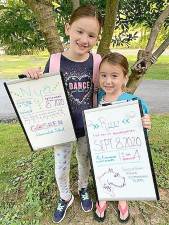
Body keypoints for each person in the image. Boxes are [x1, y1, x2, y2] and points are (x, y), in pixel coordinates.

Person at [23, 5, 103, 224]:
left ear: (97, 38)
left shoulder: (97, 62)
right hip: (61, 129)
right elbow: (44, 92)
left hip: (87, 127)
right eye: (79, 31)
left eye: (91, 35)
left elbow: (108, 90)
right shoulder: (56, 60)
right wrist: (34, 77)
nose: (84, 39)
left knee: (84, 161)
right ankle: (65, 196)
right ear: (68, 28)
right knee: (61, 167)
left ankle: (83, 188)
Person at [94, 52, 151, 223]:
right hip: (103, 153)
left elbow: (142, 133)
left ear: (125, 78)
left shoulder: (134, 102)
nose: (108, 81)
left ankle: (122, 200)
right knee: (104, 173)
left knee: (122, 174)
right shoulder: (97, 99)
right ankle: (102, 198)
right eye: (103, 75)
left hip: (125, 153)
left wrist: (145, 124)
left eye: (114, 76)